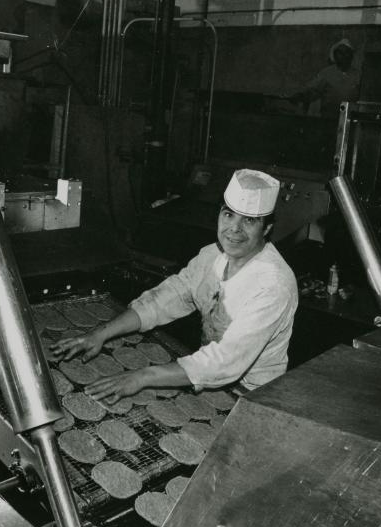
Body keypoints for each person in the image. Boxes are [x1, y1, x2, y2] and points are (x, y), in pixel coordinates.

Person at [52, 169, 299, 405]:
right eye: (228, 215)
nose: (234, 229)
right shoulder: (212, 256)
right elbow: (168, 297)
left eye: (249, 221)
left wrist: (142, 377)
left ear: (267, 228)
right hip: (206, 380)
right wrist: (100, 333)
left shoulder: (273, 284)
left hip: (253, 395)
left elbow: (224, 362)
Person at [290, 38, 361, 118]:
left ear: (351, 56)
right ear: (335, 55)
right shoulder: (326, 73)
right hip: (329, 119)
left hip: (350, 120)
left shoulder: (358, 75)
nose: (344, 55)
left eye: (347, 52)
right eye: (340, 53)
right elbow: (311, 91)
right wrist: (299, 96)